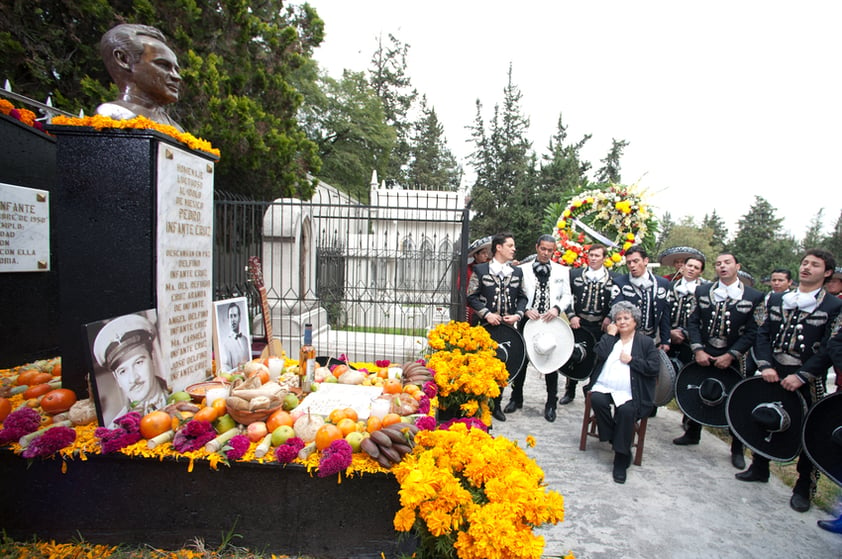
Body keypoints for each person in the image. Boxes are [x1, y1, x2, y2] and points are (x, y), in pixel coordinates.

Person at [736, 249, 842, 513]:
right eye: (805, 263)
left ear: (827, 272)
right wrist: (765, 365)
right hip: (774, 371)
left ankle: (803, 487)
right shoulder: (778, 299)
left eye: (814, 265)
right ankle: (760, 468)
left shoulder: (834, 306)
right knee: (764, 418)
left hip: (807, 377)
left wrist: (802, 375)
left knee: (809, 431)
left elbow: (831, 346)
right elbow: (762, 334)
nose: (806, 268)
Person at [676, 252, 764, 469]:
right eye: (718, 264)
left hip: (735, 356)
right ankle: (692, 432)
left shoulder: (754, 296)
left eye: (727, 263)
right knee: (701, 390)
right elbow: (693, 322)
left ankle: (737, 449)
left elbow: (754, 332)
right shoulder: (703, 290)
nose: (722, 267)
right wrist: (697, 349)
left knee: (737, 401)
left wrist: (732, 354)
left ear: (737, 266)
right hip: (705, 351)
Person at [584, 301, 660, 484]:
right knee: (598, 400)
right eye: (618, 319)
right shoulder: (611, 338)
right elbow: (600, 354)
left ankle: (620, 457)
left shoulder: (645, 342)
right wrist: (610, 335)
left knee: (627, 411)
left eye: (627, 318)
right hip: (605, 386)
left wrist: (632, 360)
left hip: (630, 391)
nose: (622, 322)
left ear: (635, 321)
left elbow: (653, 368)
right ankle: (613, 437)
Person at [505, 235, 573, 422]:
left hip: (552, 322)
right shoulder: (522, 270)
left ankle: (551, 402)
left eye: (550, 250)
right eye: (543, 249)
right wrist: (525, 310)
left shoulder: (562, 271)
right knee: (522, 359)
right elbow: (516, 294)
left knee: (551, 360)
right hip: (529, 320)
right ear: (537, 247)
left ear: (554, 251)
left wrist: (557, 308)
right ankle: (516, 397)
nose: (545, 253)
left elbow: (567, 296)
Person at [467, 232, 528, 422]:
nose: (514, 249)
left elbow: (523, 297)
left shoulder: (517, 272)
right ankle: (477, 404)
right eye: (510, 245)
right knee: (480, 365)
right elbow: (471, 296)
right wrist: (487, 313)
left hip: (507, 327)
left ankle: (496, 404)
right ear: (498, 248)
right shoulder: (481, 270)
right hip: (483, 326)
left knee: (504, 363)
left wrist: (518, 314)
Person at [96, 24, 184, 130]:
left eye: (176, 70)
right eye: (163, 65)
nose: (177, 77)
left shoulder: (175, 128)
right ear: (124, 60)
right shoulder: (113, 113)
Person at [562, 243, 616, 404]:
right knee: (575, 354)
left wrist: (609, 317)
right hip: (580, 322)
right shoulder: (575, 274)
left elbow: (616, 301)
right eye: (591, 255)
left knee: (598, 357)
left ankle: (591, 389)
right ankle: (569, 390)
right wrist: (571, 315)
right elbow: (565, 296)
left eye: (597, 256)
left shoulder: (614, 278)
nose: (593, 258)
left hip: (601, 324)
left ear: (604, 258)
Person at [93, 313, 169, 424]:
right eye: (123, 371)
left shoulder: (179, 393)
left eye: (138, 363)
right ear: (117, 378)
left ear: (152, 359)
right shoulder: (116, 429)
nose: (133, 378)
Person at [610, 245, 671, 351]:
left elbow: (665, 314)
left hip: (651, 339)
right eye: (629, 262)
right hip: (626, 340)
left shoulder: (662, 283)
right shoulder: (620, 282)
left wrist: (665, 340)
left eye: (636, 261)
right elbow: (617, 311)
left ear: (646, 261)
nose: (632, 265)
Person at [464, 236, 492, 325]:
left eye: (487, 253)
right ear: (476, 255)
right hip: (473, 308)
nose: (486, 255)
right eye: (483, 253)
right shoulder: (467, 270)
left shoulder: (491, 267)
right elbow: (464, 289)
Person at [220, 302, 250, 372]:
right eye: (231, 316)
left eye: (235, 315)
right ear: (228, 319)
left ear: (239, 318)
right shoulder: (226, 344)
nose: (233, 319)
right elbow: (226, 369)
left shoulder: (245, 340)